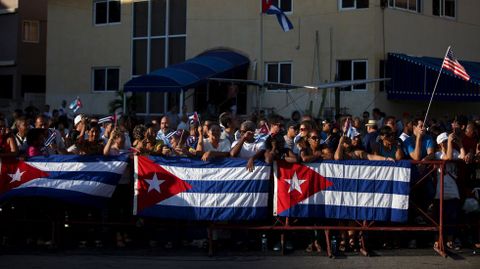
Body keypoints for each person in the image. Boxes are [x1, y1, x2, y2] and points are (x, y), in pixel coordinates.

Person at [433, 132, 465, 251]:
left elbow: (462, 156)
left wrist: (460, 144)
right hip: (440, 190)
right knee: (438, 216)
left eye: (449, 141)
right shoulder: (437, 154)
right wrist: (450, 143)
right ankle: (438, 239)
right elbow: (448, 157)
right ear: (441, 144)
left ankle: (450, 240)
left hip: (453, 190)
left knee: (452, 216)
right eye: (446, 141)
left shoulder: (455, 151)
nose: (448, 143)